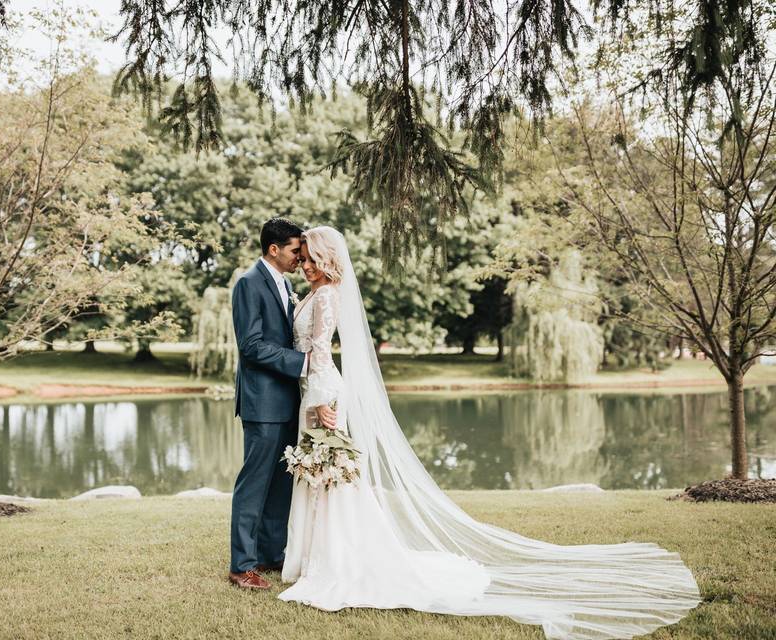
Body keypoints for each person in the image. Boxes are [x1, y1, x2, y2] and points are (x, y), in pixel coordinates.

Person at [276, 225, 701, 640]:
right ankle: (319, 557)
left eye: (314, 259)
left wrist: (324, 404)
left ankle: (337, 561)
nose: (308, 265)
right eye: (306, 258)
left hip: (323, 391)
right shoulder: (312, 293)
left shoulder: (328, 295)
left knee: (330, 476)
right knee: (323, 476)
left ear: (329, 259)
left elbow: (318, 350)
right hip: (311, 388)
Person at [227, 217, 336, 590]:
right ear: (274, 249)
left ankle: (271, 555)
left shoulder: (286, 284)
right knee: (254, 485)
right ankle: (242, 566)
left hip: (291, 399)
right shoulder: (248, 283)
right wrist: (304, 362)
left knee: (280, 485)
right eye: (294, 251)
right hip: (262, 402)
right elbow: (252, 345)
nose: (299, 259)